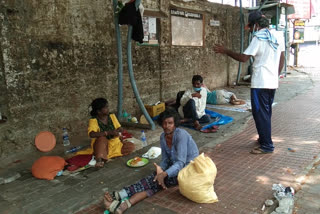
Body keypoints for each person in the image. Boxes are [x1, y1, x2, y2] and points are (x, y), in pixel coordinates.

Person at [213, 11, 285, 154]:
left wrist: (226, 50)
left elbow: (244, 58)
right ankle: (264, 138)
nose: (250, 30)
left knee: (260, 113)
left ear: (256, 25)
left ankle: (267, 146)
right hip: (271, 82)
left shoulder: (258, 38)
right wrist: (275, 75)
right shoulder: (278, 35)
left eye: (251, 26)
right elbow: (282, 57)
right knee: (266, 112)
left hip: (260, 83)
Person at [103, 108, 199, 213]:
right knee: (155, 183)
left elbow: (181, 163)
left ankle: (120, 194)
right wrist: (160, 169)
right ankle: (124, 206)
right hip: (174, 167)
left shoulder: (181, 135)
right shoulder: (163, 137)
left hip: (188, 169)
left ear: (175, 124)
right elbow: (165, 159)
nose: (167, 126)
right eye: (164, 123)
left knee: (154, 180)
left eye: (170, 123)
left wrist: (164, 174)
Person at [76, 98, 135, 167]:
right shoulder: (94, 120)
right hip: (102, 146)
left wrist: (119, 130)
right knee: (101, 138)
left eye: (107, 106)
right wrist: (108, 133)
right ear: (99, 111)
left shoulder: (111, 116)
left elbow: (119, 127)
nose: (108, 108)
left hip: (114, 145)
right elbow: (92, 134)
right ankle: (99, 160)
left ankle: (105, 156)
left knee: (131, 146)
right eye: (105, 107)